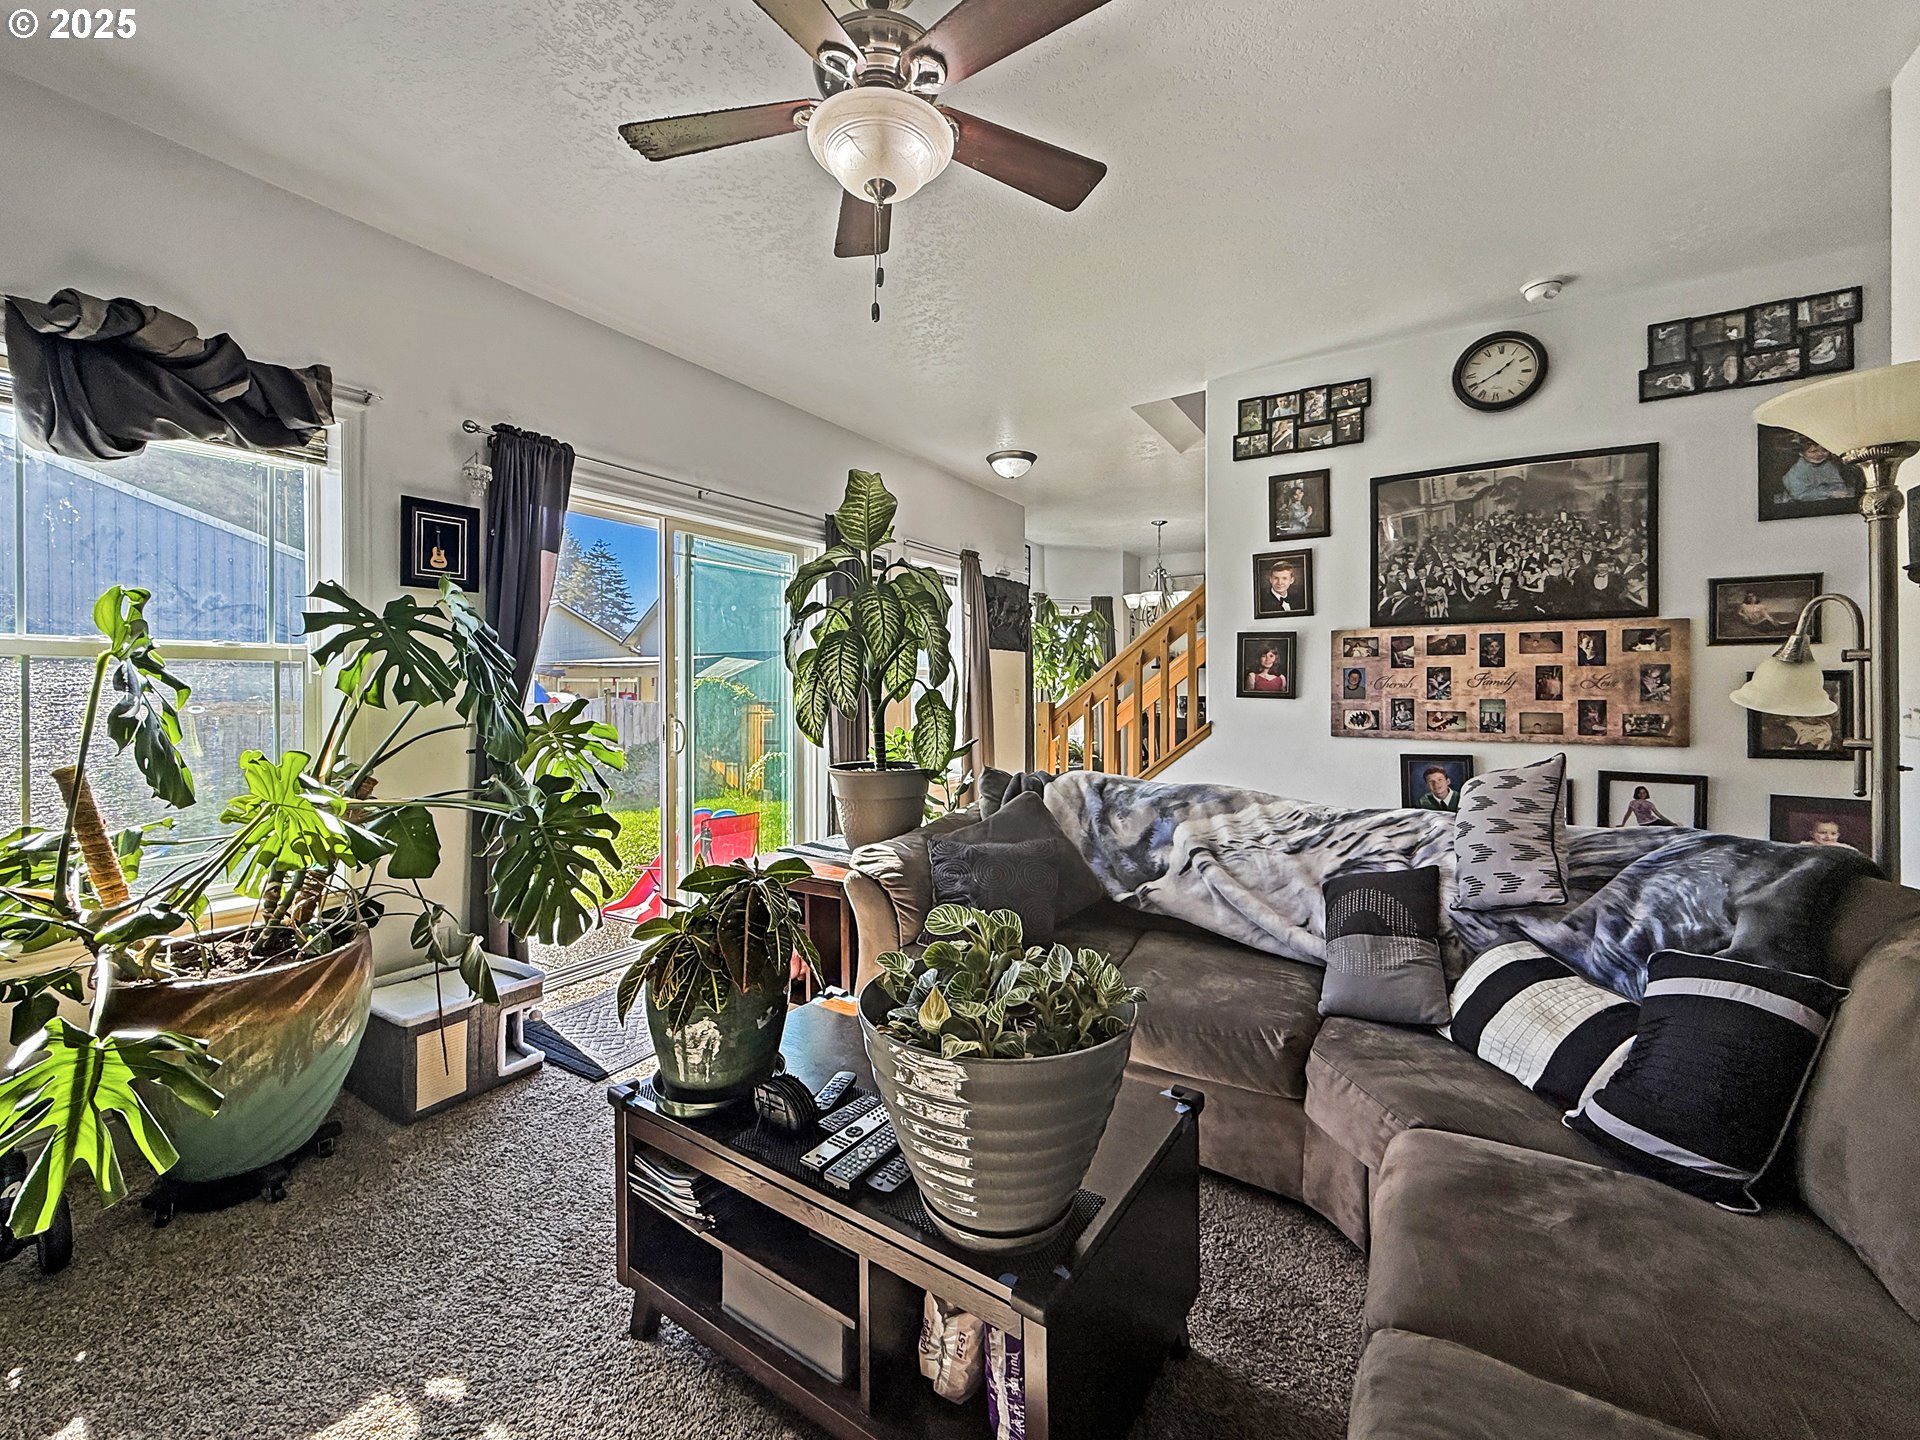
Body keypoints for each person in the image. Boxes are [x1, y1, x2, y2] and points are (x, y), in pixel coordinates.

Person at [1779, 437, 1857, 505]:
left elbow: (1838, 484)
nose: (1820, 454)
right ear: (1801, 453)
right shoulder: (1796, 472)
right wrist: (1829, 493)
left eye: (1824, 450)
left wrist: (1838, 491)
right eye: (1813, 451)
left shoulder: (1829, 466)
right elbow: (1799, 495)